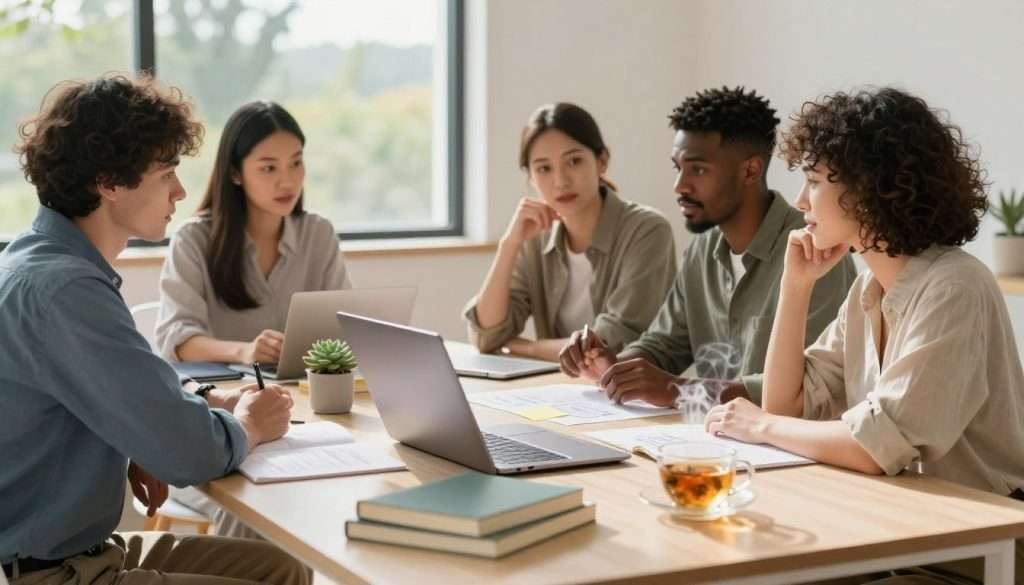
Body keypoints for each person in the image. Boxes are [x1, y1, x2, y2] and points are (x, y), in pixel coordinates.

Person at [705, 87, 1024, 584]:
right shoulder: (868, 291)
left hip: (974, 552)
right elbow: (784, 405)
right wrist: (796, 286)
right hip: (900, 535)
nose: (801, 201)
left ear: (868, 189)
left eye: (813, 181)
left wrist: (756, 427)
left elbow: (874, 448)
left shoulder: (954, 287)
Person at [0, 75, 307, 584]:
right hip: (53, 573)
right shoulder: (66, 292)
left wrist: (184, 410)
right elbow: (190, 454)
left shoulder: (43, 265)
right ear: (109, 181)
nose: (181, 190)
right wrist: (249, 423)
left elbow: (132, 385)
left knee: (279, 568)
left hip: (80, 552)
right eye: (166, 173)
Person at [560, 86, 856, 408]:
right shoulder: (701, 251)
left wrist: (680, 390)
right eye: (679, 168)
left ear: (750, 170)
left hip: (790, 447)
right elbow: (665, 345)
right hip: (714, 438)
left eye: (698, 169)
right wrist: (616, 366)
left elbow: (808, 386)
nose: (680, 185)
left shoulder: (816, 252)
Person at [463, 103, 676, 362]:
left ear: (602, 161)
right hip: (558, 390)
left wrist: (527, 348)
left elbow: (613, 340)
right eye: (544, 168)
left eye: (574, 161)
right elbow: (487, 335)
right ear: (530, 177)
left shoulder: (647, 230)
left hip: (631, 395)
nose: (561, 181)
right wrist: (509, 244)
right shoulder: (535, 240)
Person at [156, 100, 351, 364]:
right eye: (269, 168)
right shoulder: (193, 240)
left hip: (305, 392)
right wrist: (244, 351)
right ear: (235, 173)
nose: (288, 181)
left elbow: (345, 327)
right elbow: (177, 339)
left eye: (296, 163)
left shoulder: (318, 233)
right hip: (227, 396)